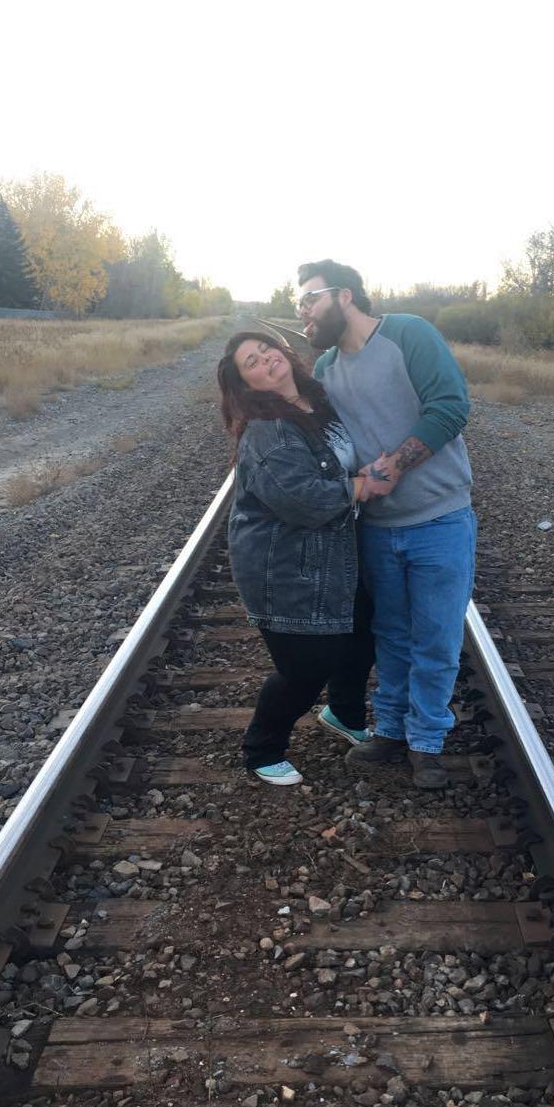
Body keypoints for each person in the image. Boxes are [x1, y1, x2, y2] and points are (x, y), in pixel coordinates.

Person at [298, 260, 475, 790]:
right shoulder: (326, 367)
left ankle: (427, 741)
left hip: (440, 517)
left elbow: (451, 406)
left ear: (344, 295)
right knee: (391, 634)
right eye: (298, 304)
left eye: (309, 299)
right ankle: (393, 729)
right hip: (376, 527)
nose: (303, 310)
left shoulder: (408, 334)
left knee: (437, 638)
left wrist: (394, 465)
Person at [216, 331, 378, 785]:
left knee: (361, 632)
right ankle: (261, 748)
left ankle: (344, 713)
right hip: (288, 567)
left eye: (266, 349)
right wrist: (361, 486)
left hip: (335, 557)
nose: (264, 359)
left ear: (284, 352)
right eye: (251, 361)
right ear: (245, 384)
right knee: (306, 666)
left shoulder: (317, 402)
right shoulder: (269, 429)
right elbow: (303, 502)